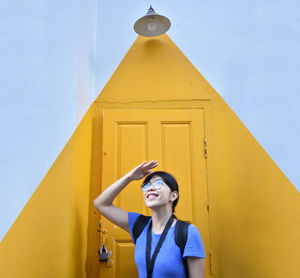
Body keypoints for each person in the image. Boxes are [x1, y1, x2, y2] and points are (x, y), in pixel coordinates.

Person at [93, 160, 206, 278]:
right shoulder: (138, 225)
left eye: (158, 183)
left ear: (173, 195)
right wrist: (129, 177)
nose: (150, 188)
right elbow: (101, 203)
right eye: (146, 185)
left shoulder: (188, 232)